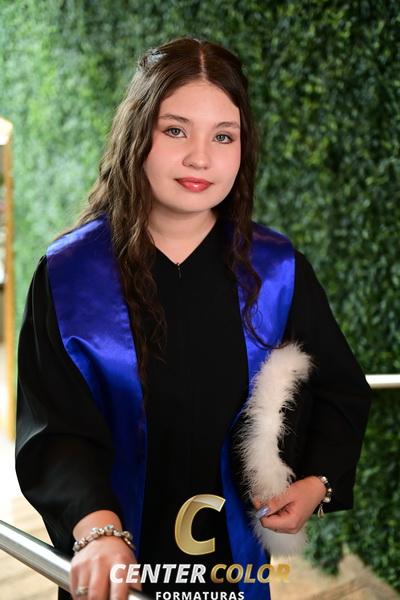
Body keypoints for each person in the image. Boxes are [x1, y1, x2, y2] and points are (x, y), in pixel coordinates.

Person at [15, 36, 372, 600]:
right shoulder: (69, 276)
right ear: (137, 134)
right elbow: (55, 428)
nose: (200, 158)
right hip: (117, 564)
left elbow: (339, 390)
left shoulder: (276, 272)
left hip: (234, 570)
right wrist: (97, 528)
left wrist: (317, 482)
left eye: (223, 136)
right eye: (176, 130)